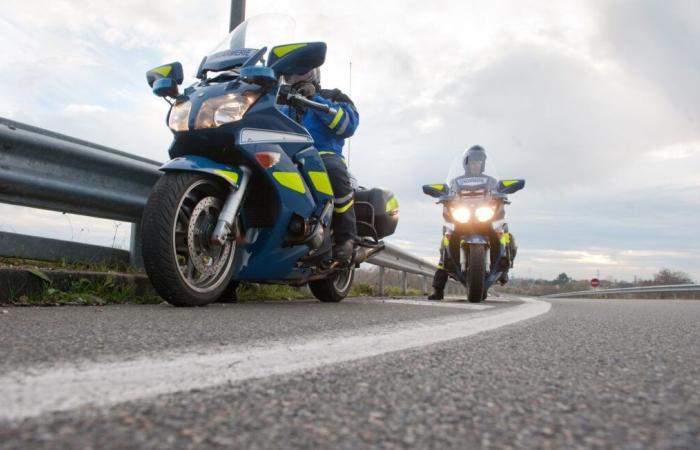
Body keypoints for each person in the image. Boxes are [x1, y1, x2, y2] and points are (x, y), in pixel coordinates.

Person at [279, 67, 360, 261]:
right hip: (287, 157)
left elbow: (347, 125)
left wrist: (314, 100)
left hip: (323, 155)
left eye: (300, 72)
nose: (295, 77)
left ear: (313, 73)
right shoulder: (282, 104)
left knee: (332, 170)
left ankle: (347, 238)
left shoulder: (333, 96)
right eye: (291, 74)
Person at [427, 145, 516, 300]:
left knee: (505, 233)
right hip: (463, 218)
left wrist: (503, 193)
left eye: (480, 161)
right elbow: (447, 192)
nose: (477, 164)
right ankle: (438, 288)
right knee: (446, 240)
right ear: (466, 164)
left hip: (485, 217)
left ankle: (503, 267)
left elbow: (500, 190)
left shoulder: (491, 181)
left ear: (483, 164)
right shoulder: (456, 182)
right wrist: (442, 194)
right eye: (473, 161)